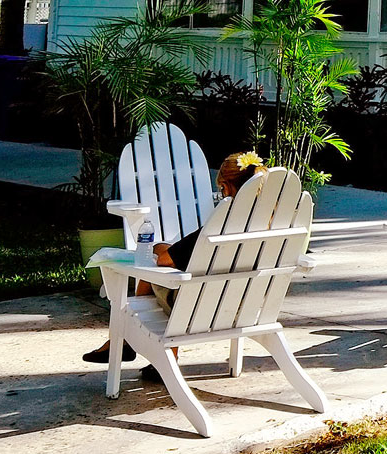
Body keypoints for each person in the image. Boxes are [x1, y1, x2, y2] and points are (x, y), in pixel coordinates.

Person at [83, 150, 266, 367]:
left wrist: (160, 248)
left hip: (202, 310)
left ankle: (127, 343)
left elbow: (165, 261)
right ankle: (129, 346)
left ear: (226, 188)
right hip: (246, 307)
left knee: (152, 276)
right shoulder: (270, 225)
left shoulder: (220, 227)